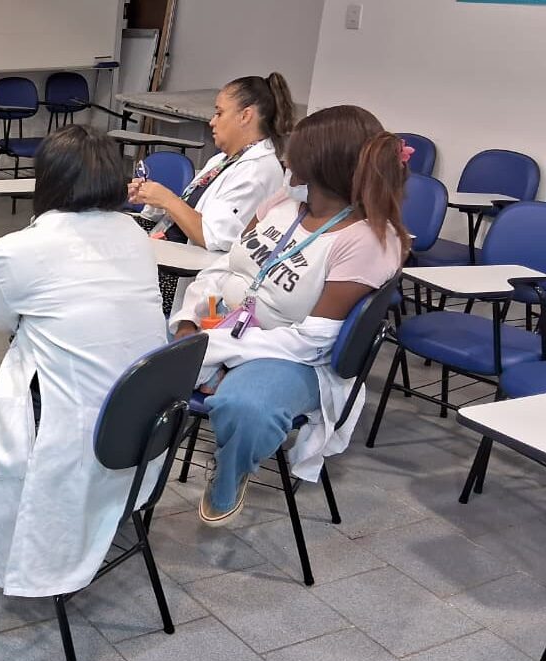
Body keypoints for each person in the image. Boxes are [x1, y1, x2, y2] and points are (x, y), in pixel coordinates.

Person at [0, 125, 168, 598]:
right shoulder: (135, 236)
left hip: (71, 437)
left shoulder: (19, 250)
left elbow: (4, 320)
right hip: (136, 433)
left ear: (47, 181)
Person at [168, 105, 408, 525]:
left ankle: (231, 471)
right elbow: (228, 265)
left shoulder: (367, 240)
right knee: (130, 352)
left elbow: (312, 339)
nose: (284, 156)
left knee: (246, 407)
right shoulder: (285, 202)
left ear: (322, 163)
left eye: (295, 150)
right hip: (226, 326)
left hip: (293, 357)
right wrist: (191, 320)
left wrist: (215, 351)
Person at [129, 73, 295, 315]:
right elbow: (191, 208)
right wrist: (152, 198)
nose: (212, 122)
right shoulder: (223, 160)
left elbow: (209, 235)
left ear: (245, 116)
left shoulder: (257, 171)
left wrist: (167, 199)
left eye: (219, 113)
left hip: (189, 275)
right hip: (170, 250)